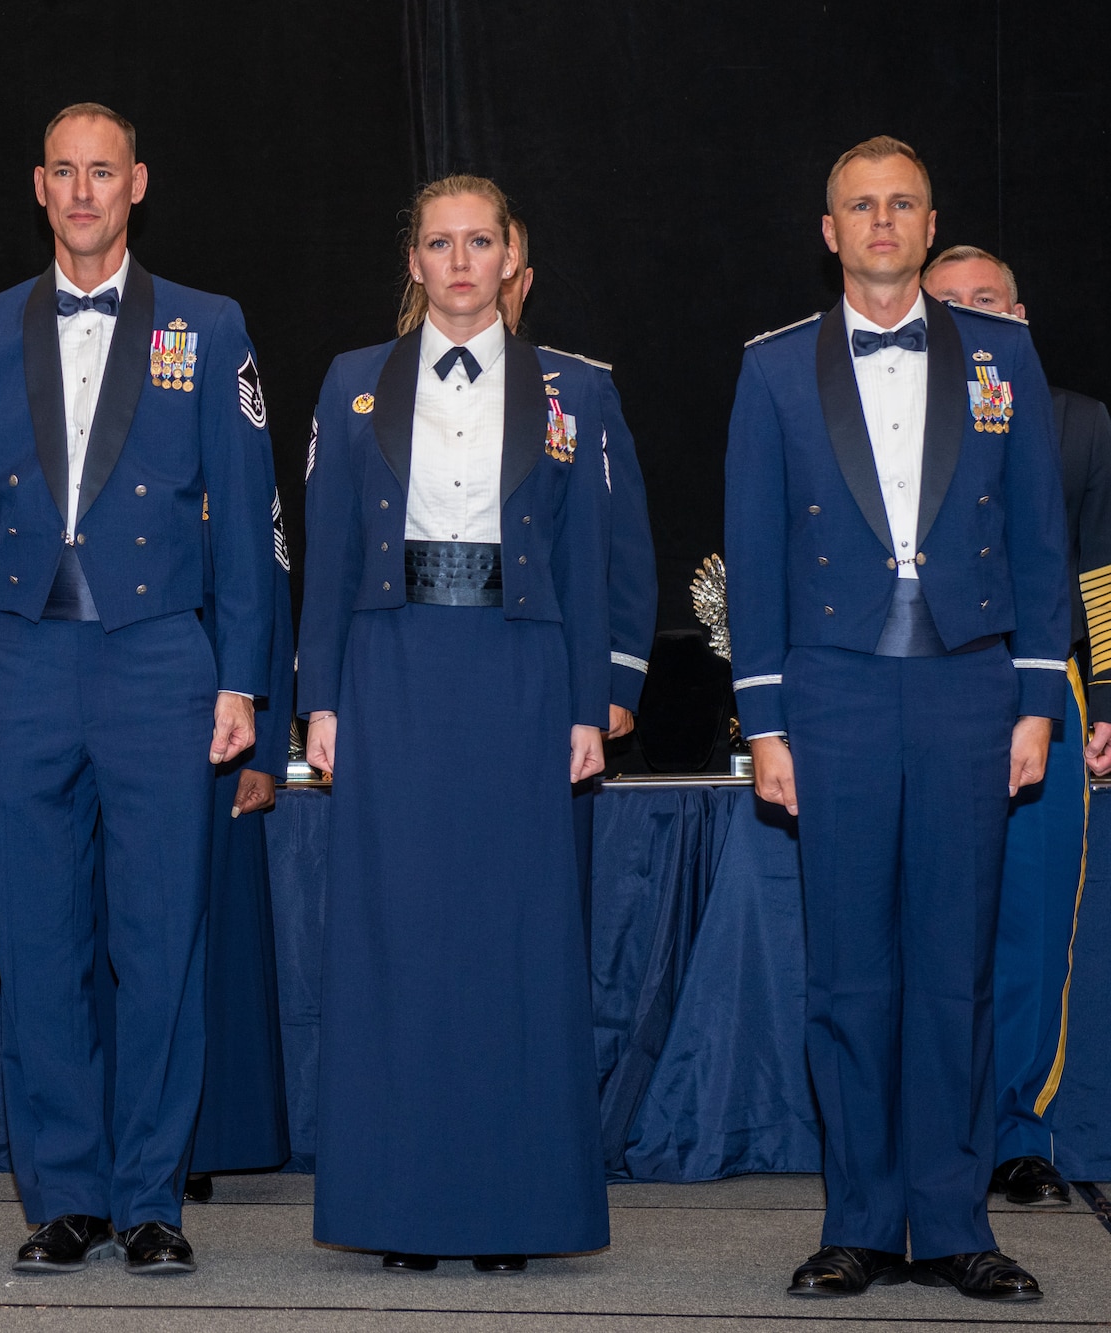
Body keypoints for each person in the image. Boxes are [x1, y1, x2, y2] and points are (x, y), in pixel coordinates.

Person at [0, 102, 274, 1276]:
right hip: (19, 662)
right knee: (33, 941)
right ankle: (63, 1195)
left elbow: (251, 524)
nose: (84, 193)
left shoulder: (206, 322)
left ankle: (149, 1196)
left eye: (104, 173)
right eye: (65, 173)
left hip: (156, 660)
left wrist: (244, 679)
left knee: (158, 937)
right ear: (39, 186)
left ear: (138, 183)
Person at [725, 137, 1067, 1302]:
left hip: (969, 688)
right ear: (828, 231)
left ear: (928, 225)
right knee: (849, 972)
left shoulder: (999, 353)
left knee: (954, 965)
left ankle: (955, 1219)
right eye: (858, 206)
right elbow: (756, 559)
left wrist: (1034, 698)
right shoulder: (770, 369)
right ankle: (859, 1222)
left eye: (900, 205)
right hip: (831, 693)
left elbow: (1038, 540)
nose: (879, 223)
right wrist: (763, 722)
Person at [299, 174, 611, 1273]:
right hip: (392, 667)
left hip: (520, 670)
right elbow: (329, 549)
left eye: (481, 241)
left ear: (512, 261)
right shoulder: (348, 384)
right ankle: (401, 1209)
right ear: (414, 261)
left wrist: (589, 705)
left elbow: (593, 558)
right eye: (440, 242)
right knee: (399, 937)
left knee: (515, 941)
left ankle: (513, 1211)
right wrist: (320, 699)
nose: (461, 260)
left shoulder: (576, 388)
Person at [923, 244, 1111, 1209]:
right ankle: (935, 1121)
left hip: (1046, 685)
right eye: (945, 301)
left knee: (1035, 923)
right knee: (940, 921)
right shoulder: (891, 418)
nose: (967, 314)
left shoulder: (1078, 423)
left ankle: (1018, 1129)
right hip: (925, 687)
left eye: (985, 300)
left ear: (1021, 316)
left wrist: (1107, 693)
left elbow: (1102, 570)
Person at [500, 212, 657, 967]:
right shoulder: (388, 385)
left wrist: (613, 678)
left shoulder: (579, 388)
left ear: (523, 283)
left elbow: (619, 545)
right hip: (434, 676)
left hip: (554, 681)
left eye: (503, 263)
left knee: (544, 906)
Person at [182, 495, 295, 1202]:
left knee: (213, 933)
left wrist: (271, 745)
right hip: (106, 702)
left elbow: (268, 585)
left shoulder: (225, 427)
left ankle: (204, 1138)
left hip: (221, 728)